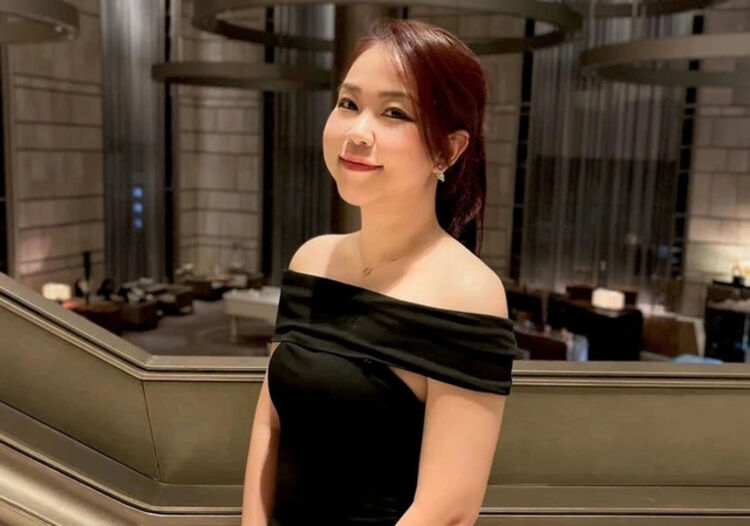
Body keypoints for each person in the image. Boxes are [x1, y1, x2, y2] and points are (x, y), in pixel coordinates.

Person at [241, 18, 517, 526]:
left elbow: (448, 510)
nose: (356, 133)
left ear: (448, 149)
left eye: (394, 113)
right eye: (348, 103)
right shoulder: (312, 260)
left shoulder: (469, 293)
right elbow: (269, 428)